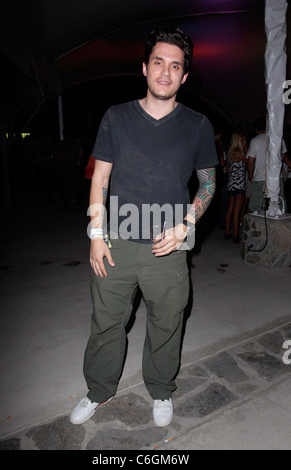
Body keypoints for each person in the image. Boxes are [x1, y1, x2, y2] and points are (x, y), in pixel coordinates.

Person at [70, 25, 218, 428]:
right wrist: (96, 237)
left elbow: (208, 182)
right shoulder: (116, 117)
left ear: (184, 76)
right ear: (145, 67)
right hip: (115, 241)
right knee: (106, 323)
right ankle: (98, 390)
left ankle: (161, 389)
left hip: (167, 247)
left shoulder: (198, 125)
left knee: (167, 322)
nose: (166, 73)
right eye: (159, 63)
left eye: (175, 66)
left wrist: (185, 227)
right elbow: (99, 179)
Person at [247, 116, 287, 212]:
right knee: (279, 204)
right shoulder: (278, 139)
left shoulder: (255, 141)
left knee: (257, 206)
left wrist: (250, 176)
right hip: (276, 177)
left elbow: (250, 162)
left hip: (260, 178)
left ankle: (258, 226)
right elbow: (283, 156)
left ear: (257, 129)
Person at [224, 132, 247, 243]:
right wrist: (246, 148)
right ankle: (236, 236)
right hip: (239, 185)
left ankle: (228, 232)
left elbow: (228, 169)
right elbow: (251, 161)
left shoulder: (231, 153)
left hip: (231, 185)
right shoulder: (239, 153)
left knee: (230, 211)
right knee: (237, 212)